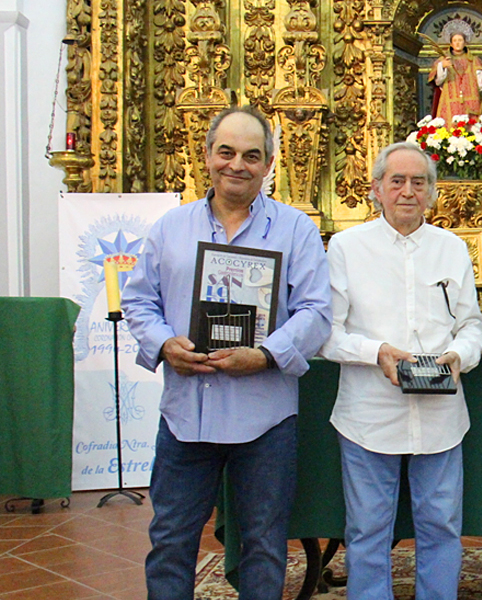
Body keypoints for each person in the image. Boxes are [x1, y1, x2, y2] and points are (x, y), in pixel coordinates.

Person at [122, 105, 332, 599]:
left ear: (268, 164)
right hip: (185, 415)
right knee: (171, 539)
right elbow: (138, 299)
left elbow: (316, 311)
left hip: (265, 417)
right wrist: (162, 344)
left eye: (251, 155)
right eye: (227, 152)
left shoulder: (295, 229)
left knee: (263, 543)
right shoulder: (170, 227)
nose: (237, 164)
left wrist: (266, 355)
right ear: (207, 155)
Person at [320, 141, 482, 600]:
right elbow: (326, 333)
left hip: (440, 418)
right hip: (369, 416)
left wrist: (459, 356)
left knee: (441, 528)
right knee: (368, 531)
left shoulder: (452, 248)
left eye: (419, 182)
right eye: (397, 181)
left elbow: (472, 325)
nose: (407, 191)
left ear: (432, 192)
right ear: (376, 188)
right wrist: (377, 352)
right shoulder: (347, 248)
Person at [429, 29, 482, 121]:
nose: (457, 43)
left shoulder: (473, 60)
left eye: (460, 40)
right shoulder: (444, 60)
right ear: (451, 44)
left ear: (465, 43)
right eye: (455, 41)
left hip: (470, 100)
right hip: (449, 98)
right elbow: (438, 82)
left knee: (472, 129)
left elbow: (480, 83)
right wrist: (442, 66)